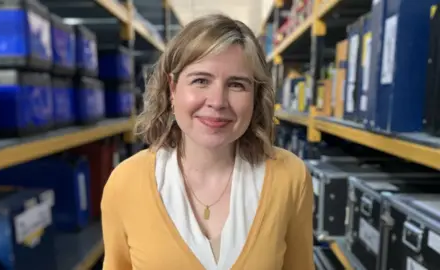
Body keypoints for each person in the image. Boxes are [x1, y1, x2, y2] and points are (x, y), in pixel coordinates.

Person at [101, 13, 314, 270]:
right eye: (201, 80)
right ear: (172, 89)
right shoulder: (125, 183)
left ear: (256, 96)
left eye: (236, 84)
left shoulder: (290, 177)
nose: (217, 101)